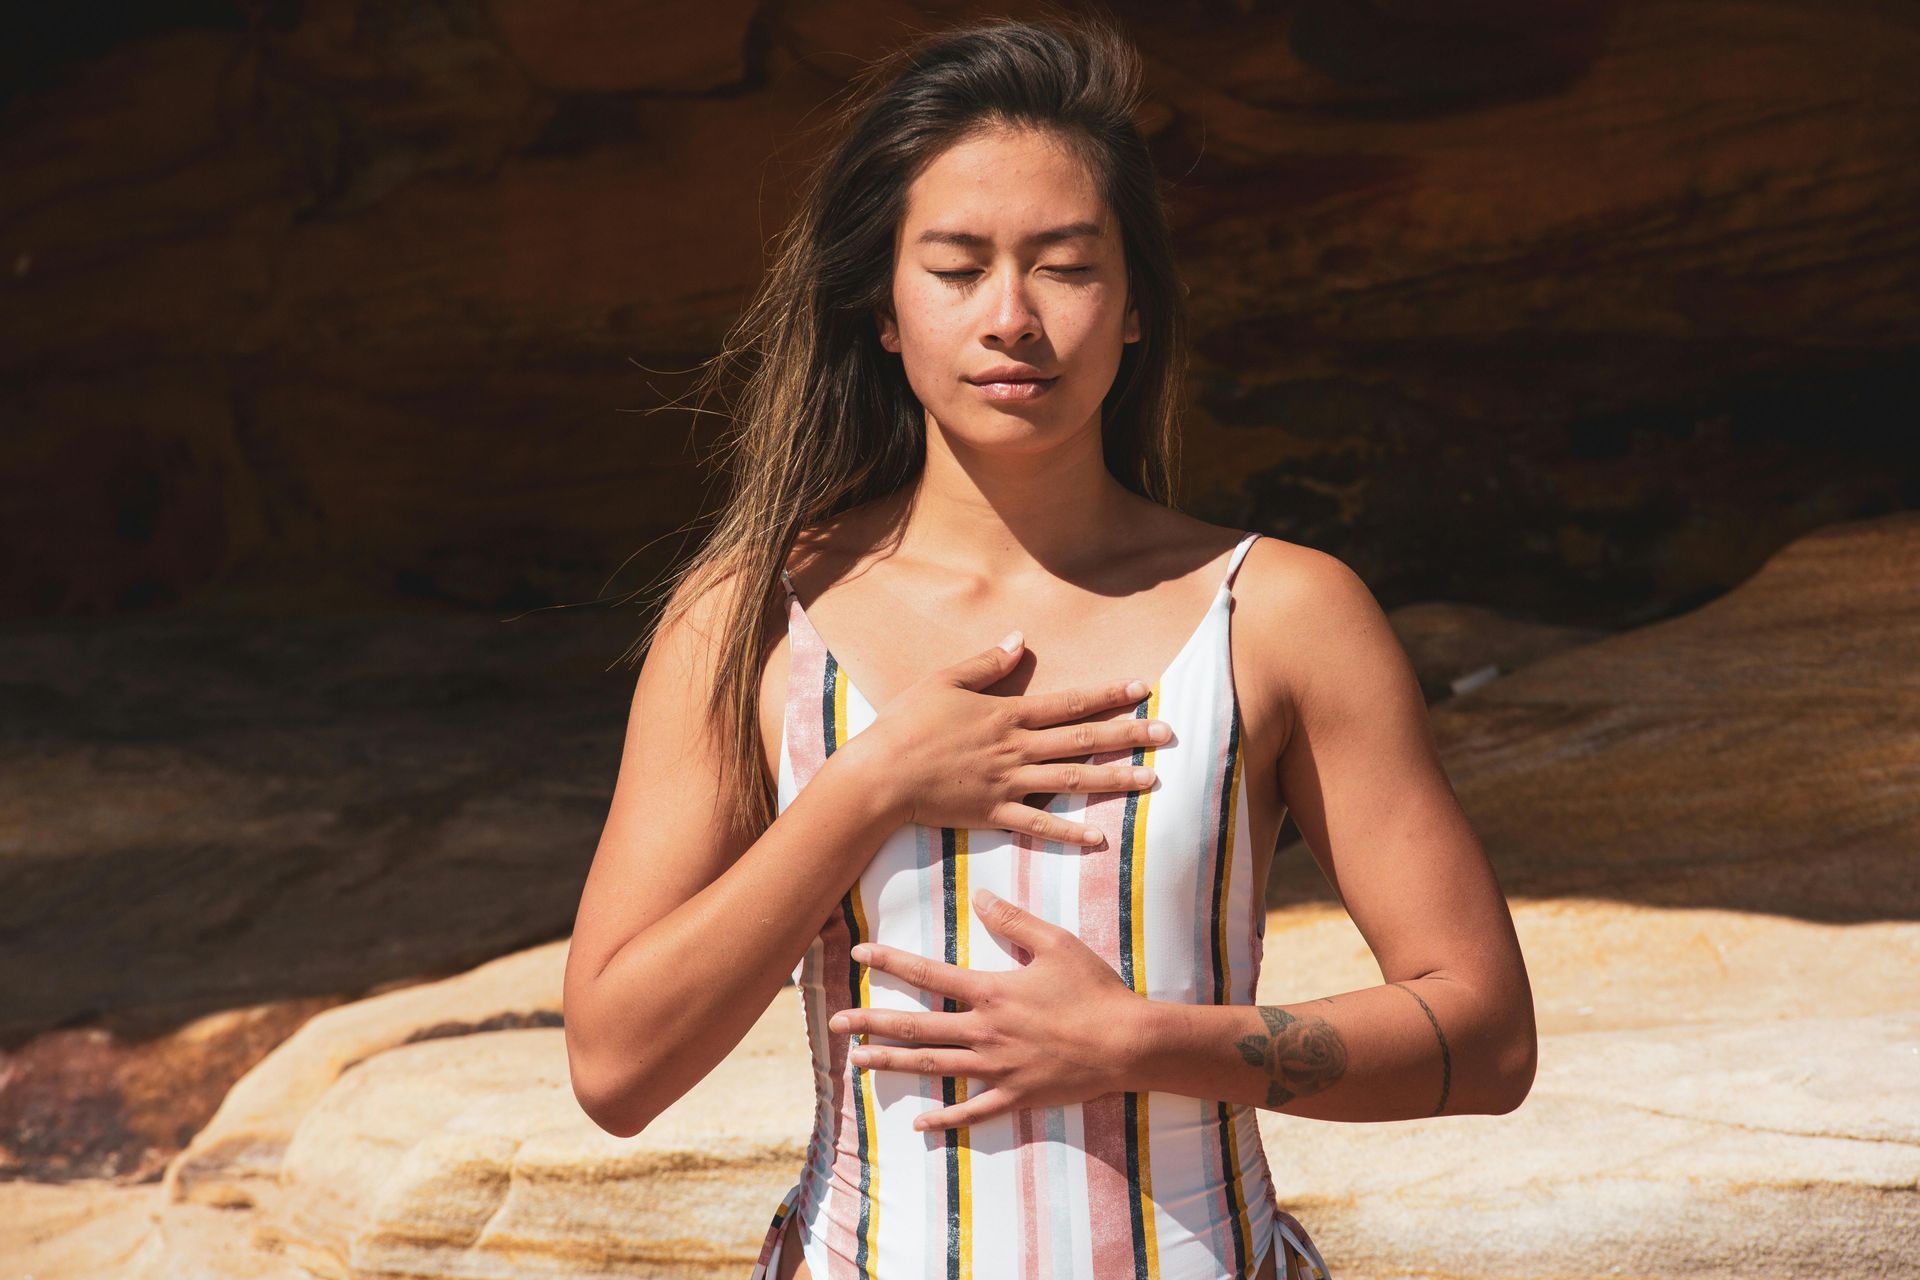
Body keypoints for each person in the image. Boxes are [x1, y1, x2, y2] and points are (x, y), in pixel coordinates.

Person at [561, 13, 1537, 1280]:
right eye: (958, 267)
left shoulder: (1283, 613)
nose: (1012, 316)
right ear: (884, 309)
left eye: (1067, 266)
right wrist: (872, 783)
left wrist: (1141, 1043)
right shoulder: (750, 618)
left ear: (1135, 308)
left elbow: (1488, 1035)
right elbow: (614, 1064)